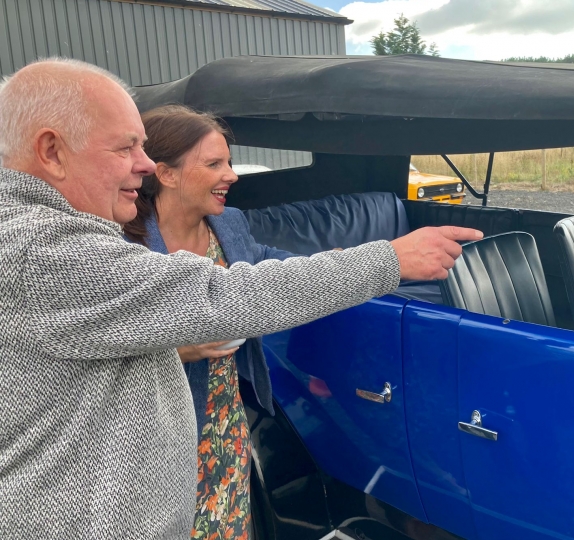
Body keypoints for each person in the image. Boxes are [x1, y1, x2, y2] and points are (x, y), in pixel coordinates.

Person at [0, 58, 482, 540]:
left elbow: (259, 267)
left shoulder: (54, 238)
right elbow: (222, 295)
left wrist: (347, 257)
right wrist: (388, 260)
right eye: (126, 147)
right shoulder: (38, 250)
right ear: (51, 151)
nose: (144, 165)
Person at [124, 104, 300, 538]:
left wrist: (334, 264)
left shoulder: (231, 223)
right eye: (215, 164)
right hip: (156, 441)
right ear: (164, 173)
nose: (232, 175)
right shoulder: (120, 243)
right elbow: (96, 350)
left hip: (226, 421)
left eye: (230, 162)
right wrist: (176, 349)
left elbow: (261, 263)